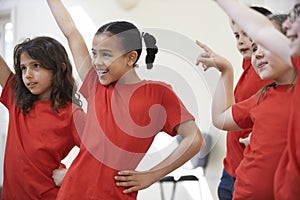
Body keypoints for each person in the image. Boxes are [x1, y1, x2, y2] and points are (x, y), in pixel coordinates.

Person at [45, 0, 204, 199]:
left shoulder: (158, 93)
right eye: (94, 54)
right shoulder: (96, 86)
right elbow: (71, 32)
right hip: (72, 193)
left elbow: (194, 139)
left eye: (106, 55)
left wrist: (152, 175)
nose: (96, 62)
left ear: (130, 58)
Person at [196, 13, 295, 199]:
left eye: (266, 44)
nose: (256, 53)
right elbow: (221, 118)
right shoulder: (264, 95)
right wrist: (226, 70)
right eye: (255, 46)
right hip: (240, 191)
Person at [0, 36, 85, 199]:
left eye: (36, 66)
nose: (28, 75)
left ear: (59, 68)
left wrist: (72, 174)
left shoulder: (72, 114)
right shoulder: (16, 99)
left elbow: (102, 157)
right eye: (23, 68)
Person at [217, 6, 273, 200]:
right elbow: (228, 115)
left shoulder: (267, 75)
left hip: (249, 173)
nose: (240, 41)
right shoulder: (248, 69)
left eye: (246, 34)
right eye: (236, 35)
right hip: (231, 169)